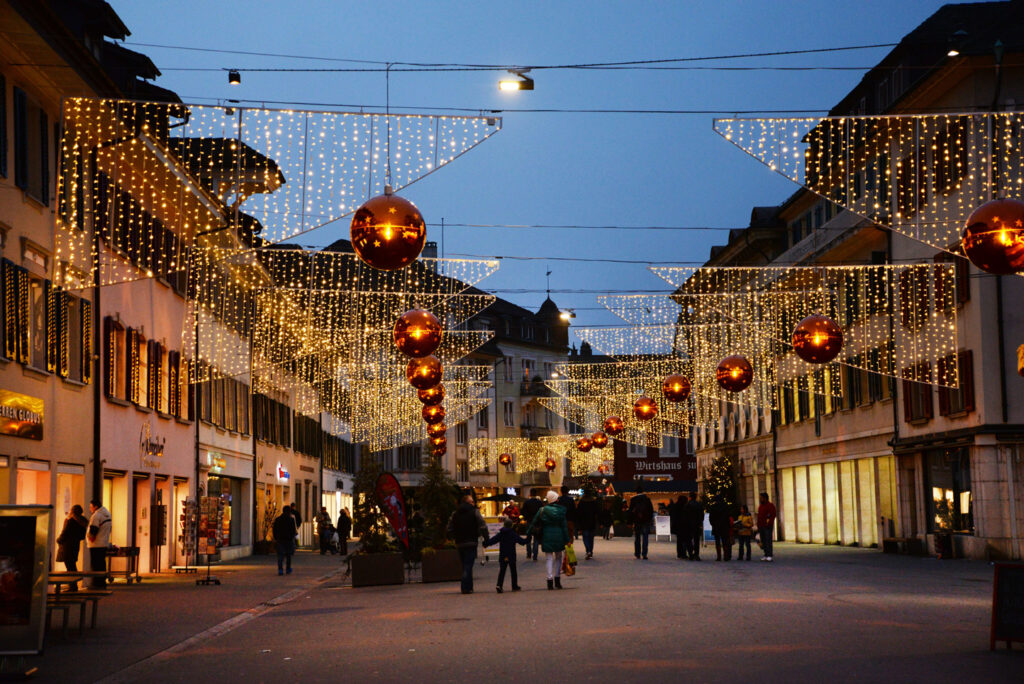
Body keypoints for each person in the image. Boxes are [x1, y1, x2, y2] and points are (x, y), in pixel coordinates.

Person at [525, 491, 570, 590]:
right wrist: (567, 539)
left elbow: (533, 522)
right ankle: (557, 579)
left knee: (549, 559)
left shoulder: (542, 510)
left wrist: (528, 533)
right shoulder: (561, 511)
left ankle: (549, 580)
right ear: (556, 499)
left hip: (547, 536)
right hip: (559, 537)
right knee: (558, 558)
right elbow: (564, 527)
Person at [446, 494, 487, 594]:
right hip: (471, 541)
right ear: (467, 502)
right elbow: (482, 525)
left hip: (460, 542)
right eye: (472, 501)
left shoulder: (455, 513)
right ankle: (465, 586)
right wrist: (486, 538)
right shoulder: (475, 512)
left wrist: (451, 537)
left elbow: (449, 528)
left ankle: (469, 587)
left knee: (465, 564)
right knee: (469, 565)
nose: (474, 503)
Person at [483, 516, 528, 592]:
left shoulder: (501, 533)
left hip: (503, 554)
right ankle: (514, 586)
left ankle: (499, 585)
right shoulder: (513, 534)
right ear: (511, 525)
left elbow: (493, 540)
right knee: (513, 570)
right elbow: (522, 542)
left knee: (502, 570)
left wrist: (486, 543)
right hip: (511, 555)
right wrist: (529, 538)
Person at [57, 505, 89, 588]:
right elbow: (82, 536)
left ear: (72, 511)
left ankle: (72, 586)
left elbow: (65, 532)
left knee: (69, 567)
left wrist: (59, 540)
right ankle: (73, 585)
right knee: (72, 566)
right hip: (75, 545)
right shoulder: (83, 521)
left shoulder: (71, 521)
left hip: (67, 546)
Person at [86, 499, 111, 588]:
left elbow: (93, 529)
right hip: (104, 542)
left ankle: (96, 583)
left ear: (96, 507)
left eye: (91, 507)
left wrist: (90, 538)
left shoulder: (97, 515)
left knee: (96, 564)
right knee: (101, 563)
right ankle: (102, 582)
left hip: (96, 544)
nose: (90, 509)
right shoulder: (107, 514)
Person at [627, 484, 654, 560]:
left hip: (637, 521)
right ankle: (644, 554)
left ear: (636, 492)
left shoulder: (633, 500)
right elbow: (651, 511)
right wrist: (649, 520)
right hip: (645, 521)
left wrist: (629, 522)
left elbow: (630, 512)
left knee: (637, 538)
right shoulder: (647, 499)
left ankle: (637, 553)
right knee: (645, 537)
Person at [272, 507, 298, 575]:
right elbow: (293, 530)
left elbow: (274, 529)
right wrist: (292, 537)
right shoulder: (291, 519)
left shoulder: (278, 519)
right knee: (288, 555)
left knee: (280, 555)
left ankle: (280, 569)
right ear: (289, 511)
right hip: (288, 540)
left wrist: (276, 537)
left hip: (280, 539)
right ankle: (288, 569)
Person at [575, 488, 599, 559]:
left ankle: (588, 550)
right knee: (591, 538)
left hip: (584, 522)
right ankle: (590, 551)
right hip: (592, 522)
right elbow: (597, 512)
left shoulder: (581, 502)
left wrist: (578, 523)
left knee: (585, 537)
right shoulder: (594, 501)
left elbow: (578, 513)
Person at [520, 490, 543, 561]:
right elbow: (542, 512)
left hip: (529, 522)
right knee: (536, 538)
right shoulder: (539, 502)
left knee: (528, 538)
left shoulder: (527, 502)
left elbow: (522, 511)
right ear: (536, 494)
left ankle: (529, 554)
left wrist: (526, 518)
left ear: (530, 494)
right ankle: (535, 556)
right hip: (537, 523)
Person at [757, 492, 777, 562]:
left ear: (765, 498)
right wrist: (758, 525)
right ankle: (765, 554)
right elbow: (759, 516)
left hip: (767, 526)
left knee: (768, 540)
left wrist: (769, 524)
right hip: (761, 526)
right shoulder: (760, 506)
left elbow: (772, 515)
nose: (760, 499)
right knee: (763, 540)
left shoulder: (770, 506)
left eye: (761, 498)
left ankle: (769, 555)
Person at [684, 492, 704, 561]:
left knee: (689, 539)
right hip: (697, 524)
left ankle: (690, 554)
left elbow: (685, 515)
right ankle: (696, 554)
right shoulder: (699, 505)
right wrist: (700, 522)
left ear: (690, 497)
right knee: (696, 540)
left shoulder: (687, 505)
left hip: (689, 524)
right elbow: (702, 515)